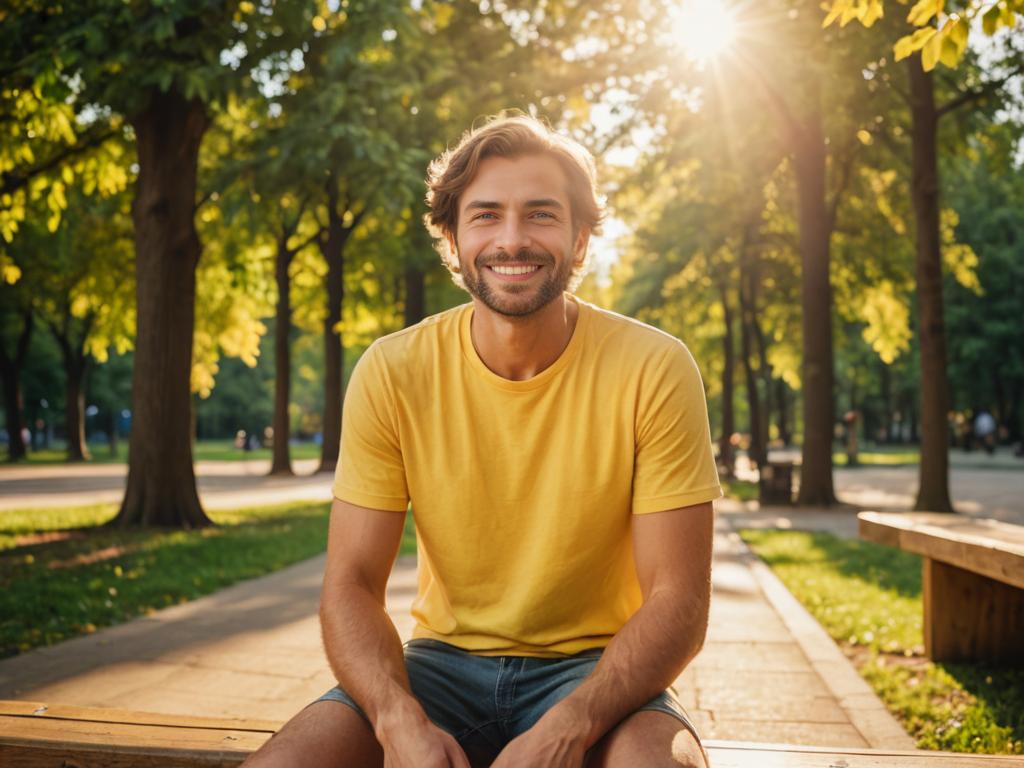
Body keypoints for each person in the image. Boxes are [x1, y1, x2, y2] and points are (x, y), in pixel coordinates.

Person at [244, 114, 721, 768]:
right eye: (487, 215)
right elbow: (350, 582)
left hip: (600, 670)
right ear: (454, 240)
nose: (513, 239)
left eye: (543, 215)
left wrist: (572, 724)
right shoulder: (393, 370)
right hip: (439, 669)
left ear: (581, 242)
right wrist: (394, 719)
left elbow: (680, 600)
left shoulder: (654, 367)